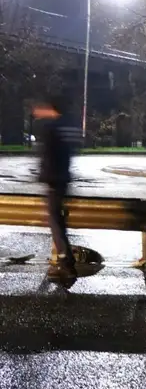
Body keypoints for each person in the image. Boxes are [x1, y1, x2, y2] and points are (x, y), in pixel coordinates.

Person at [33, 94, 81, 281]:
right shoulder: (69, 124)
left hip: (54, 180)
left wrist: (43, 176)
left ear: (50, 108)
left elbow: (47, 156)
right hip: (64, 178)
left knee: (55, 221)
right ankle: (66, 261)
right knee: (58, 221)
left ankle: (66, 263)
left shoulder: (51, 127)